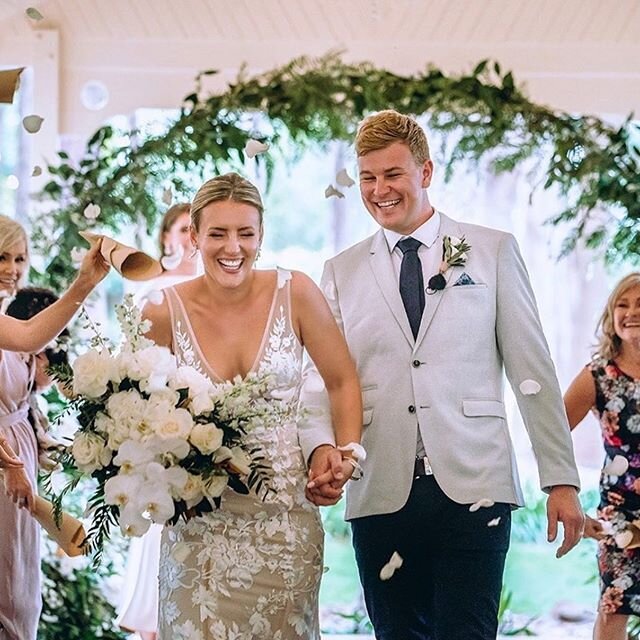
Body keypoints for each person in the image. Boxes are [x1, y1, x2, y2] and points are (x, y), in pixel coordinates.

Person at [300, 110, 585, 640]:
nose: (379, 190)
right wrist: (322, 449)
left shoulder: (493, 250)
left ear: (425, 172)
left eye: (392, 175)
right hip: (379, 485)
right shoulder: (340, 271)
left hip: (476, 482)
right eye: (367, 177)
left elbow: (533, 371)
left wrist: (561, 479)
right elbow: (321, 379)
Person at [142, 172, 362, 639]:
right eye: (218, 233)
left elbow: (342, 379)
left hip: (284, 528)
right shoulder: (161, 311)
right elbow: (137, 417)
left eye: (246, 233)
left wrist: (347, 453)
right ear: (194, 236)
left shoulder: (296, 292)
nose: (232, 247)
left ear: (261, 236)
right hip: (197, 532)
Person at [0, 214, 108, 640]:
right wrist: (83, 284)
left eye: (19, 258)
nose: (11, 268)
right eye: (1, 257)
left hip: (18, 457)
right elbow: (29, 336)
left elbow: (30, 339)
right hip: (6, 462)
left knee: (19, 584)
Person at [117, 203, 199, 640]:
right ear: (166, 237)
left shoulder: (219, 286)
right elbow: (137, 359)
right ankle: (155, 619)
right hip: (165, 416)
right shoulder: (153, 291)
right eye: (182, 229)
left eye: (194, 229)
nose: (188, 237)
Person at [565, 273, 640, 640]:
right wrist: (570, 499)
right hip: (622, 518)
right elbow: (551, 435)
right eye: (622, 305)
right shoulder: (599, 376)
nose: (631, 313)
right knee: (614, 612)